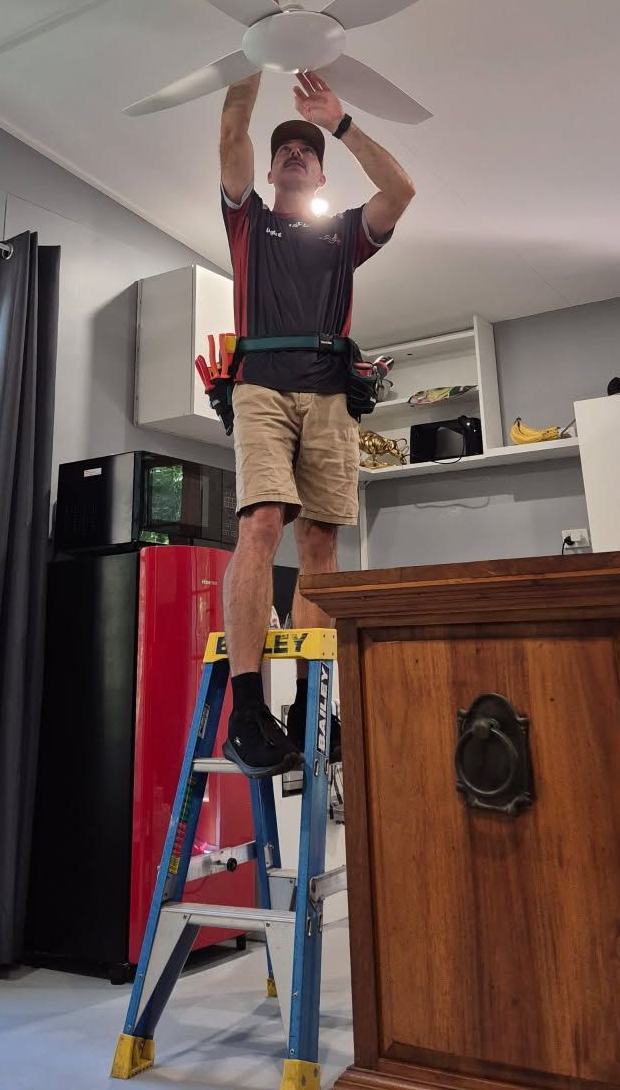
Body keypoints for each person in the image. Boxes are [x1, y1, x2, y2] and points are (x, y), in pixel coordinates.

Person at [218, 68, 416, 775]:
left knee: (321, 543)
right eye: (286, 150)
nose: (295, 155)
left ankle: (308, 708)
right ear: (270, 168)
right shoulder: (251, 221)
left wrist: (341, 122)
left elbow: (401, 191)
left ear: (321, 166)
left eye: (308, 150)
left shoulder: (343, 234)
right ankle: (247, 708)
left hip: (331, 394)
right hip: (262, 386)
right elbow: (233, 128)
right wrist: (253, 52)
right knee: (262, 523)